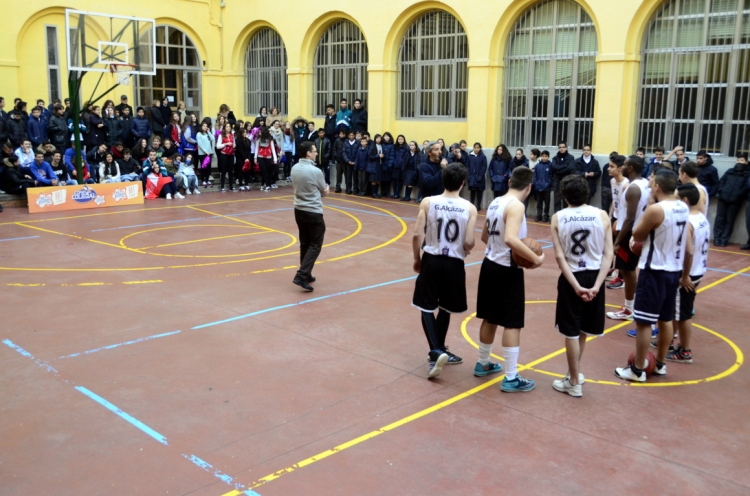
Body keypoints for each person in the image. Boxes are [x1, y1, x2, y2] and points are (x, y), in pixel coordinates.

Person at [615, 170, 689, 382]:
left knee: (644, 322)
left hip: (654, 270)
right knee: (665, 319)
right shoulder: (683, 207)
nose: (649, 184)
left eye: (652, 182)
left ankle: (637, 370)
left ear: (657, 187)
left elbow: (637, 234)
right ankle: (661, 364)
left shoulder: (656, 209)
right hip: (673, 270)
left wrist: (649, 204)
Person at [475, 166, 543, 392]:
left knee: (490, 317)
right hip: (506, 269)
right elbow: (511, 239)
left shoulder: (495, 202)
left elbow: (484, 237)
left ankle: (483, 363)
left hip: (489, 264)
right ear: (529, 187)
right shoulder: (516, 206)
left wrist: (498, 249)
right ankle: (511, 377)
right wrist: (535, 259)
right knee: (512, 322)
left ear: (509, 182)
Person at [411, 163, 477, 378]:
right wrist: (465, 249)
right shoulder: (470, 208)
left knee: (426, 305)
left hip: (432, 259)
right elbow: (469, 242)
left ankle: (436, 351)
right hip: (454, 263)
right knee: (446, 307)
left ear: (443, 180)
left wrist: (416, 258)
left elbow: (417, 235)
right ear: (463, 183)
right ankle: (439, 350)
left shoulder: (428, 202)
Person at [550, 175, 613, 397]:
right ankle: (573, 374)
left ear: (564, 196)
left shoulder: (558, 217)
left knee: (571, 331)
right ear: (587, 193)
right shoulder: (602, 215)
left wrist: (576, 286)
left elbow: (560, 257)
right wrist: (596, 286)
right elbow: (608, 255)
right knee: (583, 329)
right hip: (595, 276)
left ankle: (574, 380)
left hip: (571, 278)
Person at [663, 183, 708, 364]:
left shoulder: (688, 222)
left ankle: (685, 351)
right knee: (678, 311)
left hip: (688, 274)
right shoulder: (701, 217)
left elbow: (688, 253)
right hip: (698, 270)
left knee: (683, 314)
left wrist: (684, 276)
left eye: (676, 198)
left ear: (685, 200)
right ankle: (669, 341)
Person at [607, 156, 649, 321]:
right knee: (627, 270)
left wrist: (617, 241)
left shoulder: (633, 188)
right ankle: (632, 306)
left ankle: (629, 309)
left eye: (624, 165)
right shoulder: (645, 183)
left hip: (629, 234)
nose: (622, 167)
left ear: (630, 168)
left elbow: (630, 218)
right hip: (638, 231)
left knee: (627, 270)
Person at [291, 141, 329, 291]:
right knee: (315, 245)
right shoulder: (315, 171)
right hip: (313, 211)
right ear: (308, 153)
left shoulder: (294, 168)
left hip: (299, 209)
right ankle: (301, 275)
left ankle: (306, 273)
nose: (316, 153)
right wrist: (326, 189)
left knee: (305, 243)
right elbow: (324, 191)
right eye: (314, 151)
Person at [713, 153, 749, 247]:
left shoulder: (747, 174)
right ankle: (717, 238)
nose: (739, 162)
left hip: (735, 201)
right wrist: (721, 190)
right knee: (719, 219)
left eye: (742, 160)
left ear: (746, 162)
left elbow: (746, 187)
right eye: (738, 160)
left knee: (730, 220)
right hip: (723, 198)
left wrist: (738, 195)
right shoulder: (730, 171)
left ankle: (724, 240)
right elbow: (722, 181)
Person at [605, 154, 628, 287]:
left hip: (623, 219)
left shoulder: (626, 185)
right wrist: (610, 216)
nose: (608, 168)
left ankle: (621, 278)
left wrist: (620, 221)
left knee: (621, 248)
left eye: (611, 166)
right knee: (609, 245)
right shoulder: (612, 181)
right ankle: (611, 269)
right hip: (616, 216)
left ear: (620, 169)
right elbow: (615, 201)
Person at [551, 141, 576, 213]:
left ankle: (565, 216)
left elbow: (570, 168)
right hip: (557, 182)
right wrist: (564, 166)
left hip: (567, 182)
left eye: (563, 147)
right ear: (558, 148)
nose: (561, 149)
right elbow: (554, 167)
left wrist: (559, 171)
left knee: (566, 201)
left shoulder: (571, 158)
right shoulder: (555, 158)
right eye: (560, 147)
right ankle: (557, 216)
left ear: (566, 148)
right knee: (557, 201)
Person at [256, 126, 279, 192]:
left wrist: (275, 158)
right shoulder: (258, 139)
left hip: (268, 156)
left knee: (267, 171)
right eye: (259, 132)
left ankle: (264, 184)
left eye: (261, 132)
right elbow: (256, 149)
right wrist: (255, 157)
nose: (259, 133)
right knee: (263, 171)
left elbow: (273, 149)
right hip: (260, 156)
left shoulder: (270, 139)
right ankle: (267, 185)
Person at [215, 122, 236, 193]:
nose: (228, 128)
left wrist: (233, 146)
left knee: (230, 171)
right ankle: (222, 187)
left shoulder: (232, 135)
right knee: (223, 171)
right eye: (227, 126)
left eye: (229, 126)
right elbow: (218, 146)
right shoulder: (221, 135)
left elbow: (234, 144)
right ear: (224, 128)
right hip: (224, 154)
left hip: (231, 154)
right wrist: (226, 144)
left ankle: (231, 186)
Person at [466, 142, 487, 211]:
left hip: (479, 178)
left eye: (478, 148)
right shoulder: (470, 156)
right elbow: (467, 166)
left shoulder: (483, 157)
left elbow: (484, 167)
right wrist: (469, 175)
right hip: (472, 178)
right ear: (473, 148)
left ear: (480, 148)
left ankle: (478, 205)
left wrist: (480, 176)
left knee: (479, 192)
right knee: (472, 192)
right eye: (475, 148)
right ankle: (472, 204)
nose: (476, 149)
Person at [533, 150, 552, 222]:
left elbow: (551, 176)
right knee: (539, 203)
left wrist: (547, 184)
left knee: (547, 203)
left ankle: (546, 215)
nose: (544, 158)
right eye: (543, 156)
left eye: (545, 156)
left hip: (547, 188)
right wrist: (536, 184)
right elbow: (535, 176)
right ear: (540, 156)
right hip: (538, 187)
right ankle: (539, 215)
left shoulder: (550, 165)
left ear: (548, 157)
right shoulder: (537, 166)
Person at [197, 121, 215, 188]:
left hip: (209, 153)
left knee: (208, 167)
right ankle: (203, 180)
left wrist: (209, 132)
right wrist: (205, 151)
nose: (205, 127)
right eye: (204, 126)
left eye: (206, 126)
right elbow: (200, 143)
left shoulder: (207, 134)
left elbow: (213, 139)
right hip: (202, 154)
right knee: (203, 167)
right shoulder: (199, 134)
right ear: (201, 127)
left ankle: (207, 180)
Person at [390, 134, 408, 199]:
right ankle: (395, 193)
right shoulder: (395, 146)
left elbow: (406, 157)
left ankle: (397, 193)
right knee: (394, 180)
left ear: (404, 140)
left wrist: (403, 163)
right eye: (399, 139)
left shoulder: (406, 147)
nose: (400, 140)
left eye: (402, 139)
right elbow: (392, 155)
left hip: (402, 167)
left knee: (400, 180)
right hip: (395, 166)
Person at [342, 130, 359, 195]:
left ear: (354, 136)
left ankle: (355, 189)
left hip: (355, 163)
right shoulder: (345, 143)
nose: (351, 136)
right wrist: (348, 160)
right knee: (348, 177)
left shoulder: (357, 143)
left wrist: (355, 161)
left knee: (355, 177)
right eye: (350, 135)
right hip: (348, 163)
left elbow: (358, 153)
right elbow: (343, 152)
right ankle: (348, 189)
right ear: (348, 136)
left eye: (352, 135)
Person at [367, 133, 384, 198]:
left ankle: (376, 193)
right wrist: (378, 156)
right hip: (374, 165)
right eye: (377, 138)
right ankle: (373, 193)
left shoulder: (382, 145)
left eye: (379, 138)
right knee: (373, 180)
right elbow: (369, 156)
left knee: (378, 180)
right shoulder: (372, 146)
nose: (378, 139)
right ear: (375, 139)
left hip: (380, 164)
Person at [380, 132, 395, 197]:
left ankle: (387, 192)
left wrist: (390, 164)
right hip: (382, 164)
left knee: (388, 180)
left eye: (388, 136)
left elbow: (392, 155)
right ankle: (382, 192)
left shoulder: (392, 145)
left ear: (390, 137)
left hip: (389, 165)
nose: (386, 137)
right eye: (385, 136)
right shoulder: (381, 144)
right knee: (382, 179)